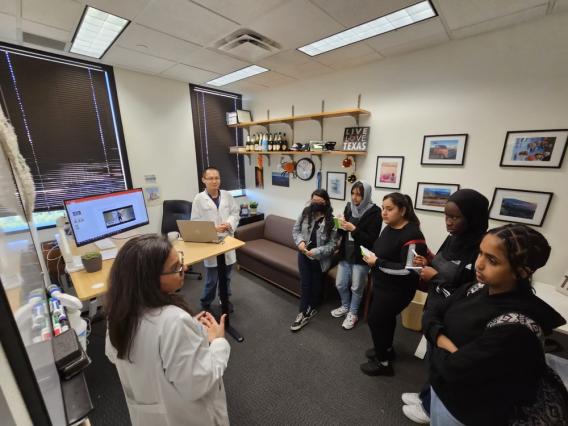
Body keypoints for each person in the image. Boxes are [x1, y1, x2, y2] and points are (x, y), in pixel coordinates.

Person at [423, 224, 567, 425]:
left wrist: (434, 339)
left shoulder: (514, 328)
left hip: (468, 410)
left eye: (492, 260)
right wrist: (446, 344)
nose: (479, 264)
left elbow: (453, 370)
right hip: (445, 391)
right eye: (480, 253)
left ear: (522, 271)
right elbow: (432, 312)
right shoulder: (477, 288)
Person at [105, 235, 230, 426]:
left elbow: (118, 353)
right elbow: (198, 384)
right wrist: (218, 342)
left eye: (180, 261)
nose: (184, 268)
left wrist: (190, 330)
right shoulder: (174, 322)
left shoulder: (118, 314)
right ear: (149, 280)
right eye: (175, 268)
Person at [401, 188, 489, 423]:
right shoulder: (453, 238)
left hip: (455, 316)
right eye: (446, 216)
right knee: (432, 359)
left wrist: (436, 277)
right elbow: (442, 263)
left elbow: (473, 291)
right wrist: (427, 262)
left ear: (473, 218)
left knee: (443, 365)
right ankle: (426, 396)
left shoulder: (480, 248)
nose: (448, 222)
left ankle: (431, 410)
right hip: (437, 308)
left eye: (455, 217)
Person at [361, 192, 427, 376]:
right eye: (383, 208)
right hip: (383, 285)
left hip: (397, 290)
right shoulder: (389, 228)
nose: (384, 212)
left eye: (389, 209)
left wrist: (377, 262)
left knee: (375, 321)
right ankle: (387, 350)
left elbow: (409, 270)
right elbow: (382, 251)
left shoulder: (413, 235)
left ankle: (383, 363)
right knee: (386, 319)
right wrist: (372, 257)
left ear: (403, 210)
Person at [331, 180, 381, 330]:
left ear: (366, 196)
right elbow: (342, 232)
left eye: (359, 195)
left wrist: (354, 229)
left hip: (361, 256)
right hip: (346, 253)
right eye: (353, 193)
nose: (354, 197)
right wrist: (339, 224)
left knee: (356, 287)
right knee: (340, 284)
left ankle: (353, 313)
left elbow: (372, 239)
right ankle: (346, 306)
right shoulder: (349, 207)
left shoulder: (375, 212)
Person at [191, 167, 240, 312]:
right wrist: (214, 229)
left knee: (226, 276)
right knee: (212, 279)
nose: (214, 181)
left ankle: (224, 299)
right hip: (211, 242)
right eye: (210, 178)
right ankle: (205, 302)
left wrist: (229, 224)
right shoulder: (199, 199)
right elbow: (195, 223)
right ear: (203, 180)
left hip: (227, 241)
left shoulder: (227, 195)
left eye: (217, 178)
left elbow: (235, 212)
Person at [291, 189, 338, 332]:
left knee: (316, 283)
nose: (316, 204)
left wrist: (316, 251)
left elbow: (332, 245)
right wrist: (300, 242)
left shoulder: (332, 221)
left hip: (319, 258)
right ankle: (302, 312)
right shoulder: (305, 213)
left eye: (319, 202)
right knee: (305, 282)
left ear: (326, 202)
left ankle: (313, 306)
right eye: (314, 201)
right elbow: (296, 230)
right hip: (303, 254)